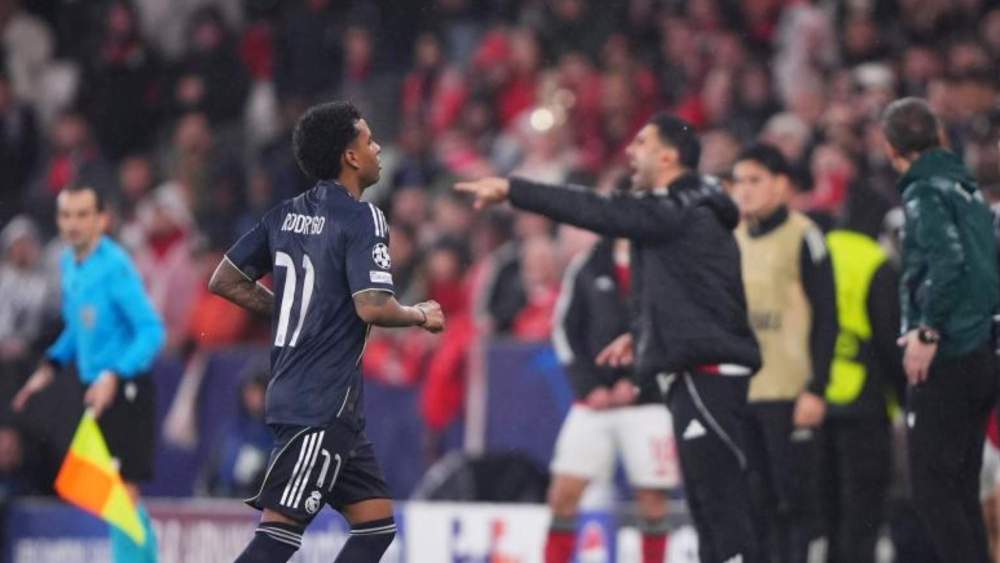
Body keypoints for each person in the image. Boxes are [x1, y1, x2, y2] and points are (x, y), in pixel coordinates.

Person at [457, 113, 763, 563]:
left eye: (642, 143)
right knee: (708, 507)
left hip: (708, 374)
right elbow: (695, 292)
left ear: (668, 156)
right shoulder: (689, 214)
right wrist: (641, 334)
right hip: (693, 374)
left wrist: (513, 190)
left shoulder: (678, 208)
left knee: (720, 507)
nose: (630, 151)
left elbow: (595, 209)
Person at [209, 101, 445, 563]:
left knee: (376, 526)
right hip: (321, 404)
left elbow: (225, 279)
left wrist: (291, 311)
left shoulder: (284, 215)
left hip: (316, 401)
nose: (378, 149)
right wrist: (419, 314)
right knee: (278, 534)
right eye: (369, 140)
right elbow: (372, 305)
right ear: (350, 157)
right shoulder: (363, 217)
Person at [11, 184, 165, 563]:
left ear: (102, 220)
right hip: (95, 390)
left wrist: (114, 375)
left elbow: (151, 330)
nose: (73, 224)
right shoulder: (69, 263)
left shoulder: (115, 267)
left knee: (120, 494)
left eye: (82, 215)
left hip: (126, 389)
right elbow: (77, 327)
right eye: (66, 215)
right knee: (112, 495)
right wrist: (50, 366)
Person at [881, 97, 1000, 563]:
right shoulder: (968, 189)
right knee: (961, 489)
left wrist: (928, 331)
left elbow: (947, 262)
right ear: (941, 137)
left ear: (890, 148)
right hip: (983, 352)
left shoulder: (924, 192)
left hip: (951, 352)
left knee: (933, 491)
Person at [730, 143, 837, 563]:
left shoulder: (804, 235)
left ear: (781, 185)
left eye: (754, 180)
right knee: (754, 501)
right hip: (744, 392)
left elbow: (827, 315)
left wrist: (817, 387)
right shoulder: (733, 239)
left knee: (795, 500)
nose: (743, 190)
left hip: (790, 392)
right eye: (738, 181)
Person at [545, 234, 679, 563]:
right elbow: (566, 329)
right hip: (594, 403)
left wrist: (640, 383)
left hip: (649, 403)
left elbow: (675, 329)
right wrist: (589, 387)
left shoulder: (664, 261)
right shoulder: (588, 263)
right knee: (563, 493)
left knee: (652, 498)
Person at [821, 220, 902, 563]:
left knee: (828, 514)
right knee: (863, 513)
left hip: (815, 399)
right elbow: (889, 341)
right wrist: (904, 400)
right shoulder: (875, 261)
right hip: (864, 402)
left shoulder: (819, 250)